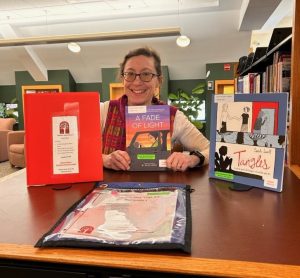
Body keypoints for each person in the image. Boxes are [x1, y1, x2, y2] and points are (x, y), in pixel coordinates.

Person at [100, 47, 209, 171]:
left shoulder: (173, 116)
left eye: (146, 74)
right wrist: (104, 159)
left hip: (157, 187)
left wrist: (193, 159)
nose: (137, 82)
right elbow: (76, 153)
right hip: (110, 189)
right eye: (130, 74)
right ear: (122, 79)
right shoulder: (105, 110)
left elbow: (210, 149)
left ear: (159, 81)